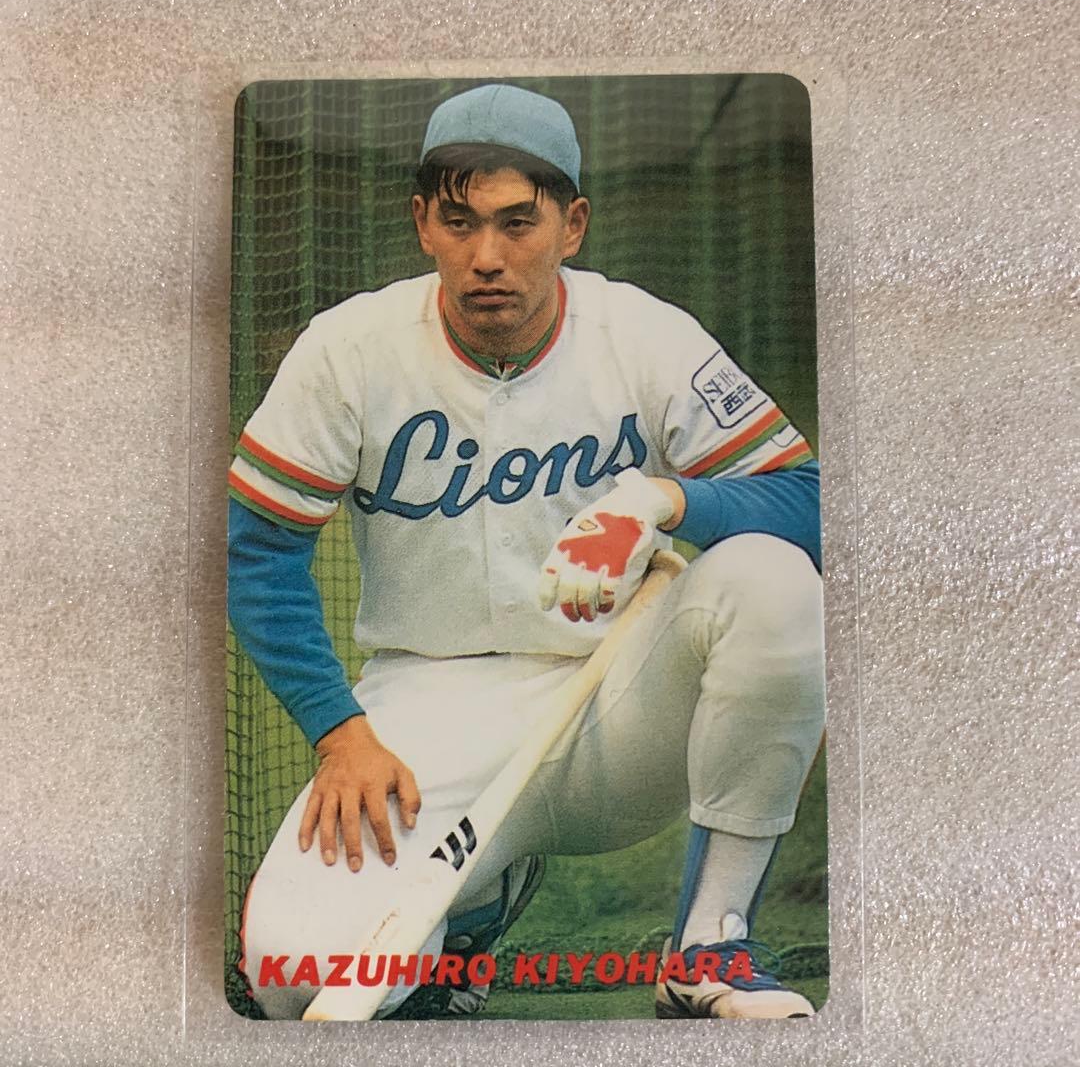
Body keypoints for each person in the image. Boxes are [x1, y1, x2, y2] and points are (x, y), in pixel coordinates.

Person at [227, 83, 824, 1020]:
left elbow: (812, 502)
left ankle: (710, 948)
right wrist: (339, 732)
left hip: (622, 699)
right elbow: (259, 552)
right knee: (293, 976)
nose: (488, 257)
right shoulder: (349, 350)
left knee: (774, 580)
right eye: (460, 222)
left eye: (518, 222)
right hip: (428, 708)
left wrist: (664, 498)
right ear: (422, 223)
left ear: (571, 225)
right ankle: (467, 909)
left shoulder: (643, 335)